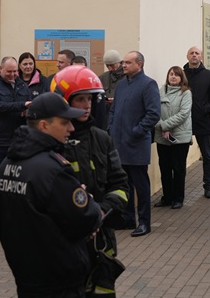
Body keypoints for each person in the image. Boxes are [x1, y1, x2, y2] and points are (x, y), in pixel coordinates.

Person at [0, 93, 103, 298]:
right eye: (64, 122)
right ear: (44, 126)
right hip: (59, 281)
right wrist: (90, 201)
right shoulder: (53, 170)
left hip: (26, 278)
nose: (71, 128)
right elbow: (86, 218)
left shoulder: (5, 166)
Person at [50, 66, 129, 294]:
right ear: (63, 102)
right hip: (66, 245)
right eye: (80, 99)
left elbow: (120, 186)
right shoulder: (53, 143)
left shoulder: (102, 139)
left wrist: (100, 212)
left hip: (101, 244)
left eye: (90, 99)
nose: (87, 105)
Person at [108, 51, 160, 237]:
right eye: (124, 62)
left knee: (140, 184)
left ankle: (144, 222)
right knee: (125, 184)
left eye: (128, 63)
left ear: (139, 64)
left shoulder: (148, 84)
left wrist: (137, 130)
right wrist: (111, 128)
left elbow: (154, 114)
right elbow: (113, 110)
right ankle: (128, 218)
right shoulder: (122, 85)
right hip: (119, 142)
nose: (124, 65)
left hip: (136, 143)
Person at [0, 56, 32, 230]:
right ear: (0, 69)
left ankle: (11, 215)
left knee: (16, 181)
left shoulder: (22, 85)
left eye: (15, 71)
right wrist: (21, 106)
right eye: (9, 71)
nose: (13, 75)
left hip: (17, 139)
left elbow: (26, 107)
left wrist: (26, 111)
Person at [183, 46, 210, 199]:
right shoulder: (182, 75)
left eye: (197, 53)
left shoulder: (209, 75)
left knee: (207, 155)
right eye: (191, 53)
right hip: (183, 121)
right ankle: (178, 189)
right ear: (187, 56)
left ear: (201, 57)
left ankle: (208, 186)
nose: (194, 55)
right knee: (180, 157)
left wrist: (204, 109)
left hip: (202, 120)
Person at [154, 66, 192, 209]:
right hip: (162, 137)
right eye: (171, 74)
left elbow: (183, 114)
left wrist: (165, 126)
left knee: (178, 169)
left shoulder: (186, 93)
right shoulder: (160, 91)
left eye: (177, 75)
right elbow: (153, 111)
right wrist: (161, 126)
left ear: (182, 78)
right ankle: (167, 197)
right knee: (164, 168)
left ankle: (178, 198)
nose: (173, 77)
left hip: (179, 137)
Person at [99, 50, 125, 116]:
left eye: (112, 65)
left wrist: (116, 101)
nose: (110, 69)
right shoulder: (102, 77)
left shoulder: (128, 77)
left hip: (122, 115)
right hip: (106, 115)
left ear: (119, 62)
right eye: (107, 66)